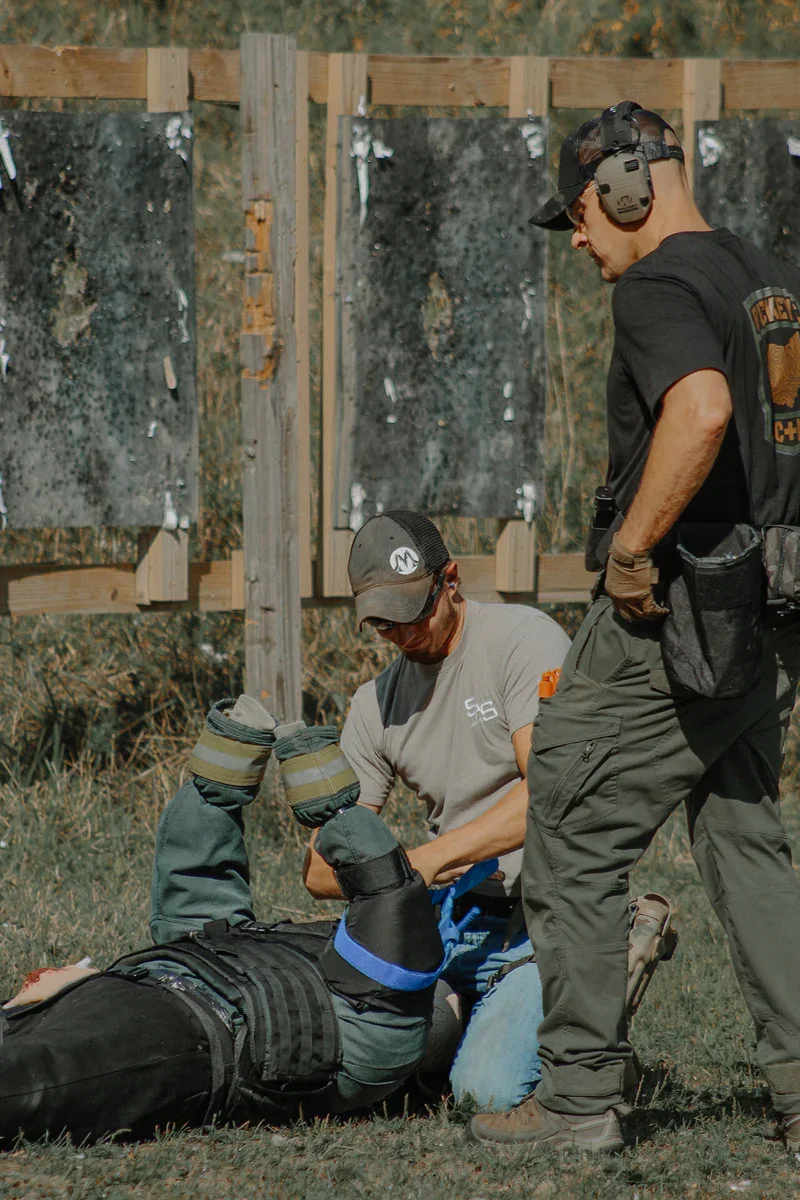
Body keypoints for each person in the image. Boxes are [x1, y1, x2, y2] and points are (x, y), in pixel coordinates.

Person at [469, 101, 800, 1153]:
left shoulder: (659, 284)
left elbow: (698, 412)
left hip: (672, 617)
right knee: (743, 837)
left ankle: (574, 1101)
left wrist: (625, 553)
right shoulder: (761, 274)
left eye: (577, 211)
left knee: (565, 822)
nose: (575, 236)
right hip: (767, 610)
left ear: (624, 186)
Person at [0, 695, 449, 1145]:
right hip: (171, 993)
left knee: (27, 1086)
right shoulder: (379, 1011)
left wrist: (327, 799)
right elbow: (389, 896)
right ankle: (217, 781)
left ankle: (217, 781)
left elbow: (389, 892)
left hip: (186, 1034)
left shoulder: (378, 1036)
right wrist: (323, 799)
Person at [302, 510, 572, 1111]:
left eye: (413, 613)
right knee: (369, 1063)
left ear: (450, 579)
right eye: (382, 623)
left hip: (547, 917)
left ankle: (601, 991)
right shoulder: (373, 707)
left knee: (487, 1091)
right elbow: (320, 870)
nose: (402, 634)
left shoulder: (524, 640)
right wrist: (400, 878)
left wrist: (429, 860)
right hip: (450, 928)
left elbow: (550, 794)